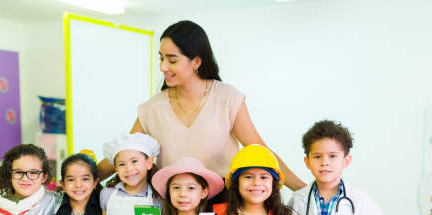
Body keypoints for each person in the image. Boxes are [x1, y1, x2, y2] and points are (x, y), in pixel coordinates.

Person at [97, 20, 305, 193]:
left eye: (172, 60)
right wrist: (81, 177)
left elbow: (261, 152)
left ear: (196, 62)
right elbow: (122, 153)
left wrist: (304, 190)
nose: (163, 67)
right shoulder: (152, 108)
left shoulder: (227, 99)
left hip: (222, 202)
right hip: (173, 204)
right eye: (161, 59)